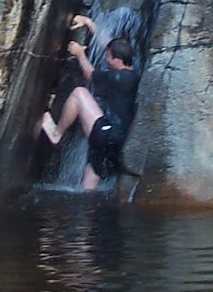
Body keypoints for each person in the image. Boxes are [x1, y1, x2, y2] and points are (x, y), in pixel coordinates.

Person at [41, 15, 140, 191]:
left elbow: (89, 73)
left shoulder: (115, 78)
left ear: (117, 60)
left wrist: (79, 53)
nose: (106, 58)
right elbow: (109, 44)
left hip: (108, 134)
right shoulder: (133, 72)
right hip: (120, 141)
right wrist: (89, 23)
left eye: (108, 57)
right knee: (88, 184)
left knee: (79, 94)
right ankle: (88, 209)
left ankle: (57, 133)